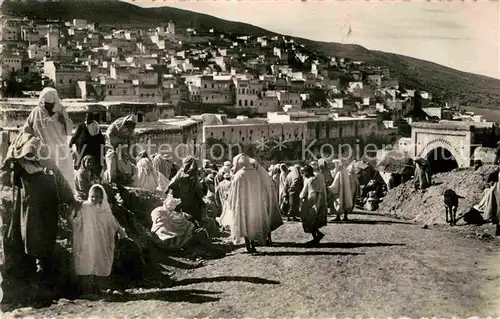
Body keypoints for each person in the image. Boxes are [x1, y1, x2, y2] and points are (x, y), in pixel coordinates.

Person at [3, 131, 76, 295]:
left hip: (47, 209)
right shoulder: (20, 165)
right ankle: (36, 276)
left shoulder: (47, 164)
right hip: (30, 209)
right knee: (30, 240)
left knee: (45, 241)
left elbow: (60, 180)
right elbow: (7, 170)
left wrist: (69, 199)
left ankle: (44, 278)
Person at [71, 184, 128, 295]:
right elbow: (78, 220)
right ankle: (87, 289)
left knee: (101, 261)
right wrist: (73, 219)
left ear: (102, 197)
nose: (94, 199)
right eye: (92, 196)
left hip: (102, 240)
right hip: (88, 239)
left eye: (97, 197)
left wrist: (120, 231)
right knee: (87, 261)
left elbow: (112, 222)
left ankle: (99, 288)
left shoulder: (106, 209)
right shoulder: (85, 207)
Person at [21, 87, 75, 191]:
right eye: (45, 103)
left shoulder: (61, 111)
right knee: (46, 183)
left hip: (60, 152)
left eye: (50, 104)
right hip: (43, 153)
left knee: (64, 181)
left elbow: (69, 130)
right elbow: (26, 130)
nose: (47, 106)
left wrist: (63, 119)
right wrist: (32, 141)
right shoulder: (36, 112)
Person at [221, 154, 271, 253]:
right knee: (252, 223)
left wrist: (231, 203)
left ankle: (248, 245)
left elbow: (233, 192)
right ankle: (252, 244)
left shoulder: (238, 175)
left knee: (245, 223)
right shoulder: (256, 174)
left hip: (243, 205)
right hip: (255, 204)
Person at [252, 158, 283, 245]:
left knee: (261, 221)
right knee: (266, 220)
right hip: (267, 201)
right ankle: (267, 238)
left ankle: (263, 239)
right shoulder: (266, 177)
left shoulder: (258, 178)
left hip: (262, 202)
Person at [166, 156, 205, 224]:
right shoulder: (182, 174)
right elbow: (171, 186)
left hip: (187, 201)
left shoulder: (188, 175)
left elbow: (171, 185)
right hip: (184, 201)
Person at [103, 115, 138, 185]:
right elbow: (110, 138)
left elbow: (132, 143)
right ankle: (111, 181)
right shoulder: (115, 126)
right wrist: (121, 140)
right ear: (126, 123)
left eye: (132, 126)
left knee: (127, 165)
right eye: (129, 125)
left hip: (122, 148)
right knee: (112, 160)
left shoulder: (130, 132)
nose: (129, 129)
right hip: (111, 146)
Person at [69, 112, 105, 176]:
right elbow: (76, 135)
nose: (88, 119)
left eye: (89, 117)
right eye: (87, 117)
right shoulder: (82, 126)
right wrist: (71, 143)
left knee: (96, 162)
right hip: (85, 147)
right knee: (82, 161)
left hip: (93, 148)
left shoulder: (96, 126)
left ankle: (96, 175)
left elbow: (100, 137)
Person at [299, 165, 327, 246]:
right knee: (312, 221)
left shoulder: (309, 180)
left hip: (310, 203)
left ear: (307, 172)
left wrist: (301, 198)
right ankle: (317, 236)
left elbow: (308, 193)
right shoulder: (316, 179)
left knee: (309, 221)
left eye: (304, 172)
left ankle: (316, 237)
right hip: (317, 202)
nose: (303, 174)